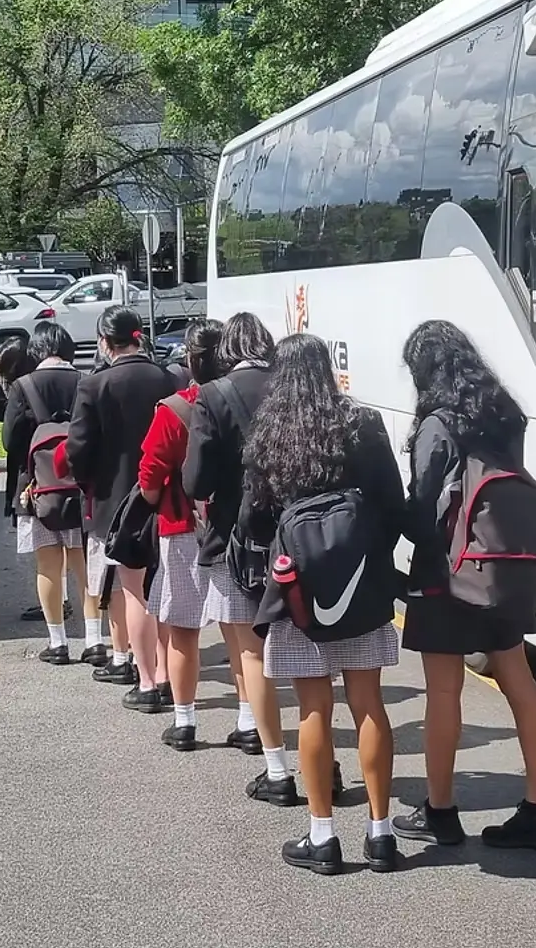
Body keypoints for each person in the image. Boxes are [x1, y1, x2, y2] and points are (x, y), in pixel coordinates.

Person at [394, 319, 536, 851]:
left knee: (445, 689)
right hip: (505, 566)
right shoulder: (504, 412)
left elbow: (422, 508)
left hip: (448, 573)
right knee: (519, 679)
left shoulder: (437, 425)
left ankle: (441, 811)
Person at [239, 333, 405, 875]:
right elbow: (393, 505)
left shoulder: (270, 434)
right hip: (362, 583)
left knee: (314, 710)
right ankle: (381, 836)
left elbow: (255, 522)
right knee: (369, 705)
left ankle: (323, 836)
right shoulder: (362, 423)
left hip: (298, 592)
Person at [185, 312, 327, 804]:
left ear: (226, 348)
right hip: (302, 538)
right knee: (309, 657)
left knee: (251, 654)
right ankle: (322, 764)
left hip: (236, 541)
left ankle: (278, 771)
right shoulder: (294, 388)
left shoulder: (213, 395)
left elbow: (197, 481)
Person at [65, 306, 177, 709]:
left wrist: (88, 483)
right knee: (166, 590)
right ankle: (167, 674)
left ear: (104, 343)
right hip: (166, 497)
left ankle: (146, 681)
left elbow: (78, 450)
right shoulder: (170, 377)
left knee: (135, 593)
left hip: (116, 501)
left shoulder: (94, 387)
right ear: (139, 337)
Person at [0, 323, 100, 666]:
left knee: (48, 565)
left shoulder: (24, 386)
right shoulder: (87, 381)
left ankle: (58, 643)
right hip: (82, 486)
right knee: (85, 566)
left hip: (37, 488)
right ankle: (95, 640)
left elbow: (10, 441)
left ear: (36, 352)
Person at [138, 319, 219, 751]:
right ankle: (248, 723)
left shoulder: (173, 409)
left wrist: (156, 499)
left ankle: (185, 722)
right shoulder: (246, 401)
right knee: (240, 632)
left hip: (183, 525)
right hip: (233, 528)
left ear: (190, 359)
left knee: (183, 627)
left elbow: (151, 474)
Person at [0, 338, 74, 628]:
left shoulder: (27, 388)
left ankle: (59, 607)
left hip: (36, 476)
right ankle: (67, 603)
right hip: (67, 474)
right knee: (71, 550)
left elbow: (9, 434)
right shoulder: (62, 382)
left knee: (48, 553)